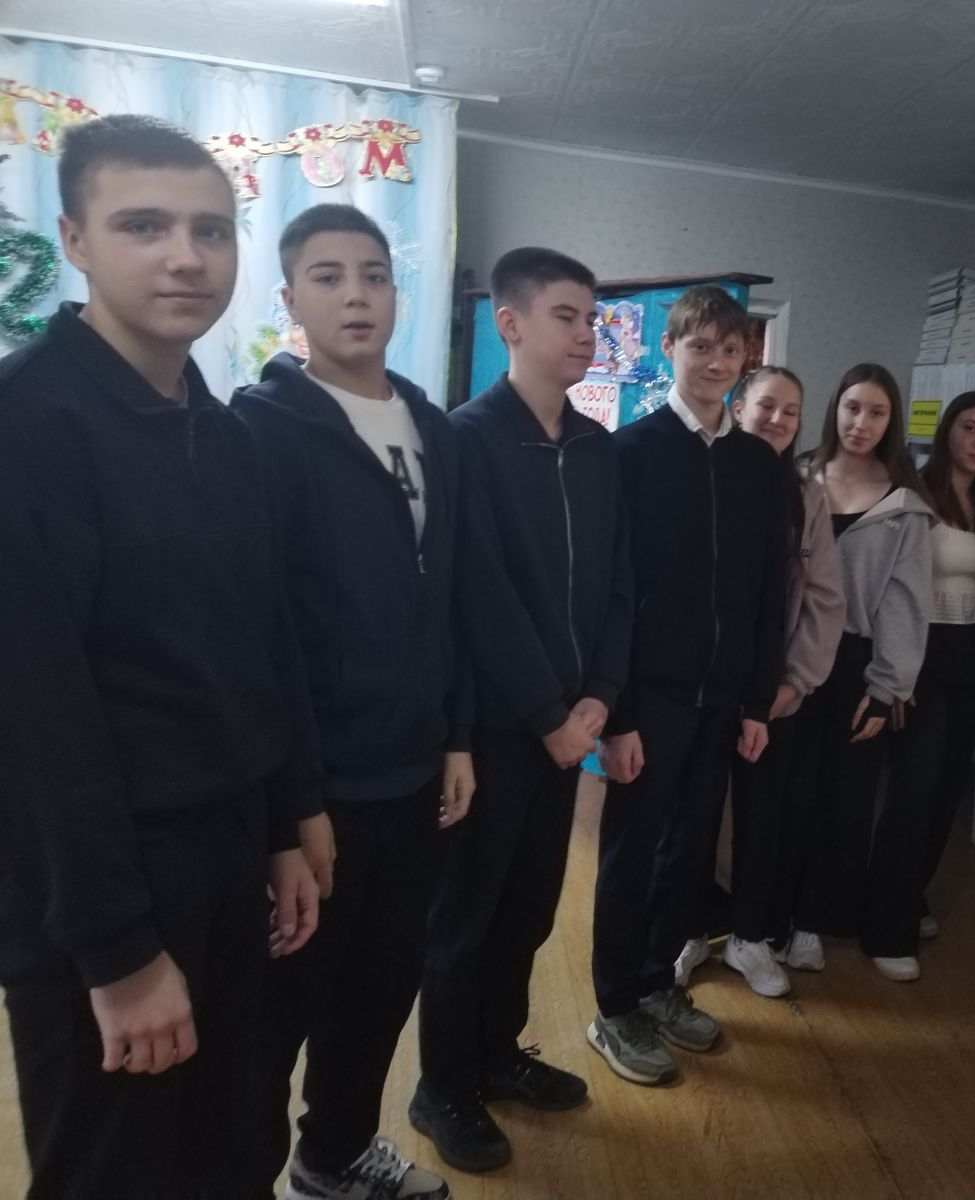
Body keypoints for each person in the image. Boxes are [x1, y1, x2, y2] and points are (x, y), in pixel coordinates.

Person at [0, 113, 321, 1200]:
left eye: (210, 230)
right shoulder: (27, 427)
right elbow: (32, 724)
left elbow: (253, 650)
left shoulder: (223, 434)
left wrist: (278, 830)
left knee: (235, 1149)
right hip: (99, 883)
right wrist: (119, 955)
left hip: (229, 859)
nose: (186, 257)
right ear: (75, 240)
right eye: (143, 226)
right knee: (116, 1169)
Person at [232, 203, 474, 1199]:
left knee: (381, 987)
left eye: (372, 274)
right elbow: (262, 633)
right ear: (291, 299)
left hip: (415, 773)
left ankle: (331, 1158)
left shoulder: (431, 425)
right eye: (327, 277)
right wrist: (293, 805)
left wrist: (457, 736)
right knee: (279, 1006)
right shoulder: (260, 431)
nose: (355, 295)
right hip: (318, 786)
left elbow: (448, 595)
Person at [411, 247, 628, 1169]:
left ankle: (497, 1055)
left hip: (572, 724)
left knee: (531, 910)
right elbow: (477, 595)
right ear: (510, 323)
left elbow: (620, 582)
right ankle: (441, 1088)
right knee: (466, 915)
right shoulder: (464, 438)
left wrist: (601, 696)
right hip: (502, 731)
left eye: (592, 319)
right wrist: (549, 716)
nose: (587, 334)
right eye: (566, 316)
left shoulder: (598, 447)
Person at [590, 286, 787, 1085]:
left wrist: (758, 700)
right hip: (650, 697)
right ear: (668, 347)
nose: (715, 362)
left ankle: (658, 984)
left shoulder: (757, 463)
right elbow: (610, 590)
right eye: (700, 346)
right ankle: (614, 1005)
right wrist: (617, 712)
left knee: (691, 851)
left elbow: (770, 585)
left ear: (746, 359)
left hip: (724, 696)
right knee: (633, 850)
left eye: (730, 350)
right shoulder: (630, 452)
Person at [678, 367, 846, 999]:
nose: (777, 420)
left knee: (763, 813)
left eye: (791, 411)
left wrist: (794, 683)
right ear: (738, 406)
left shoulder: (805, 496)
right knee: (692, 815)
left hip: (773, 689)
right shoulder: (704, 475)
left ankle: (751, 936)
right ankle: (688, 930)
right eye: (766, 406)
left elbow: (825, 597)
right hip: (703, 684)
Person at [785, 364, 934, 971]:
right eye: (852, 408)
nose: (861, 423)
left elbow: (905, 601)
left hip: (857, 663)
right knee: (787, 790)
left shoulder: (904, 505)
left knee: (845, 799)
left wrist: (887, 686)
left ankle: (814, 919)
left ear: (891, 421)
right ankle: (771, 916)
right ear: (834, 409)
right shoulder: (798, 477)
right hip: (792, 656)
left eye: (876, 412)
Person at [862, 392, 975, 981]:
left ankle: (908, 894)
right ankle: (884, 926)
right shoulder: (913, 492)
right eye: (970, 428)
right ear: (948, 431)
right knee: (913, 787)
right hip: (921, 652)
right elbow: (888, 586)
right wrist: (896, 670)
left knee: (948, 787)